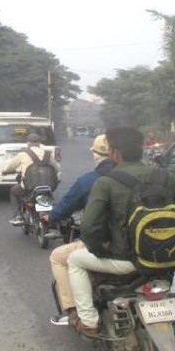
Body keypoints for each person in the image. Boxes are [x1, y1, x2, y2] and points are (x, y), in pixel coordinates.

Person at [67, 127, 175, 337]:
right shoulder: (166, 177)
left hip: (125, 260)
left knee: (74, 260)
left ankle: (89, 321)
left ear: (115, 153)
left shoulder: (107, 183)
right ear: (141, 149)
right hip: (168, 258)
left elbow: (90, 226)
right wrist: (171, 242)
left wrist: (98, 249)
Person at [43, 134, 114, 326]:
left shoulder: (88, 181)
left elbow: (65, 206)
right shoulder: (138, 177)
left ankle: (74, 311)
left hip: (106, 247)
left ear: (96, 155)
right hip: (140, 246)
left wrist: (50, 217)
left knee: (59, 257)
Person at [2, 133, 61, 225]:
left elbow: (10, 167)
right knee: (50, 201)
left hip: (30, 187)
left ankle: (17, 216)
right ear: (39, 143)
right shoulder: (48, 154)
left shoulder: (23, 154)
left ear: (28, 143)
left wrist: (5, 171)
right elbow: (57, 169)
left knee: (14, 191)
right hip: (47, 187)